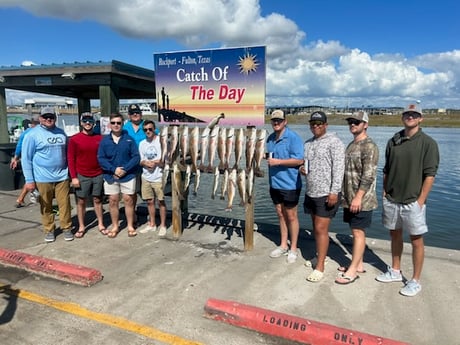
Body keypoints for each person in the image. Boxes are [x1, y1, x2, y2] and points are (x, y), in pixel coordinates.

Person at [376, 104, 439, 297]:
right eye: (407, 114)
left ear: (420, 119)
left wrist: (421, 200)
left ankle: (415, 280)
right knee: (395, 235)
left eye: (414, 115)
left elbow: (430, 175)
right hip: (392, 199)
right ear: (402, 117)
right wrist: (385, 192)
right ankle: (395, 270)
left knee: (417, 240)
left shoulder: (428, 143)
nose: (410, 117)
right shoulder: (393, 140)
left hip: (413, 201)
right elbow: (386, 169)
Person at [335, 111, 379, 285]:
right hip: (349, 197)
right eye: (351, 122)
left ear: (365, 125)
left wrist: (358, 197)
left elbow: (369, 175)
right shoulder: (352, 144)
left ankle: (353, 271)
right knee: (354, 231)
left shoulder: (369, 146)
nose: (353, 124)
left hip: (361, 199)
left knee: (358, 232)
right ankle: (358, 264)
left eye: (357, 122)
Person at [301, 111, 345, 282]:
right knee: (315, 227)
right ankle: (320, 255)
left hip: (327, 193)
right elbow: (307, 165)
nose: (316, 127)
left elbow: (339, 169)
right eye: (313, 124)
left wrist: (334, 191)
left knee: (321, 229)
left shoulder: (335, 143)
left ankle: (320, 266)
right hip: (311, 191)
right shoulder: (308, 144)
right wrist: (302, 170)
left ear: (326, 125)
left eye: (319, 124)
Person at [21, 107, 74, 242]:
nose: (48, 119)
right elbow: (26, 158)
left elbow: (68, 154)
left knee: (65, 204)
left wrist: (72, 174)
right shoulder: (32, 135)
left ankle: (66, 227)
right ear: (40, 119)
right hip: (42, 177)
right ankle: (49, 229)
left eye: (51, 116)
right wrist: (29, 180)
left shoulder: (61, 133)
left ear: (55, 118)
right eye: (45, 117)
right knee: (46, 206)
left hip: (62, 176)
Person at [266, 109, 304, 264]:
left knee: (291, 216)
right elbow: (270, 157)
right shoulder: (269, 138)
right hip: (274, 183)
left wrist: (278, 162)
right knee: (280, 214)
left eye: (279, 120)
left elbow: (299, 160)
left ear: (285, 122)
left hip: (290, 184)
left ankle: (293, 248)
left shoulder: (293, 138)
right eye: (274, 120)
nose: (276, 123)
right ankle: (283, 244)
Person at [97, 112, 140, 238]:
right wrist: (113, 169)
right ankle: (115, 226)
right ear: (110, 124)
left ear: (122, 124)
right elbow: (101, 158)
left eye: (118, 123)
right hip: (111, 175)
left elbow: (136, 157)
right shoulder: (104, 141)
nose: (116, 125)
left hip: (128, 175)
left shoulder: (129, 139)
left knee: (128, 200)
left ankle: (130, 225)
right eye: (113, 123)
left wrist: (125, 169)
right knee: (113, 201)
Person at [67, 112, 105, 238]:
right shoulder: (74, 139)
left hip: (98, 173)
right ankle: (81, 226)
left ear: (94, 123)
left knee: (97, 199)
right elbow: (70, 159)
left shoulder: (100, 138)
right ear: (81, 123)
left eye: (90, 121)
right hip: (82, 174)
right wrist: (74, 177)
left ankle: (100, 223)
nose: (88, 123)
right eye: (85, 121)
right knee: (81, 201)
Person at [138, 120, 168, 237]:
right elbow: (140, 160)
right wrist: (145, 163)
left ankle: (163, 225)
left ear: (154, 129)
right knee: (149, 201)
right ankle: (152, 224)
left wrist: (157, 162)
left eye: (150, 129)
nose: (148, 132)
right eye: (145, 130)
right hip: (146, 176)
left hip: (159, 176)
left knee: (161, 202)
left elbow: (165, 159)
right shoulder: (142, 143)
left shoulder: (161, 141)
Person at [10, 114, 40, 208]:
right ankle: (21, 198)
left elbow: (19, 146)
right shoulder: (33, 133)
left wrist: (15, 158)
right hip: (33, 160)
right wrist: (15, 158)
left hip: (26, 159)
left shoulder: (26, 132)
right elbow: (19, 146)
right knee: (31, 180)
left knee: (31, 180)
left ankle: (21, 199)